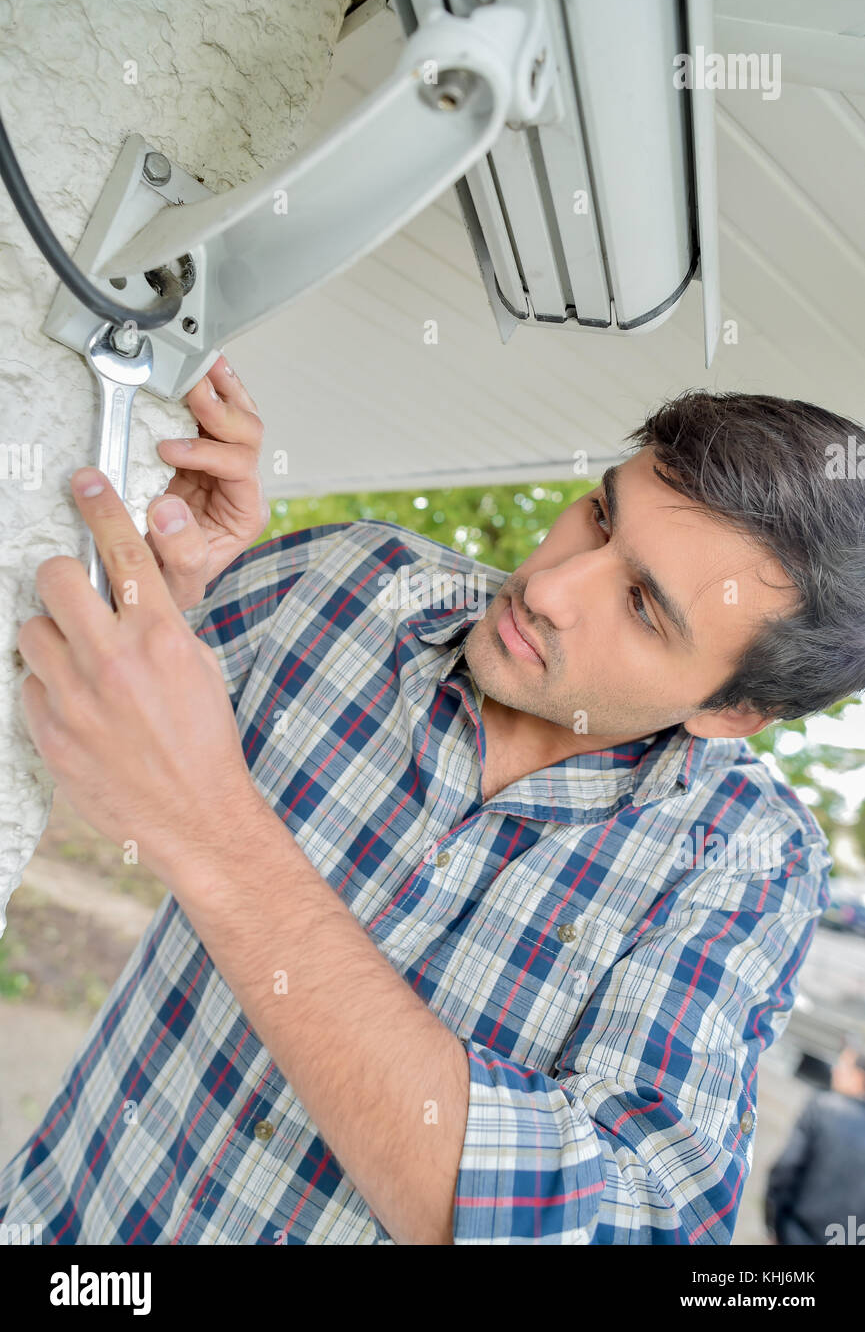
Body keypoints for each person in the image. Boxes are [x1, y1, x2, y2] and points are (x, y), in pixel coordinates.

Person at [0, 364, 861, 1245]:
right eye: (599, 516)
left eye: (641, 606)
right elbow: (62, 737)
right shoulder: (347, 580)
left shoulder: (749, 859)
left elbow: (631, 1226)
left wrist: (218, 839)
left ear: (731, 711)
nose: (549, 588)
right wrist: (154, 585)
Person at [765, 1044, 865, 1245]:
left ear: (860, 1077)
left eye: (844, 1066)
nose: (835, 1070)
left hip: (795, 1236)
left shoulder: (822, 1108)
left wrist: (772, 1225)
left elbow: (784, 1171)